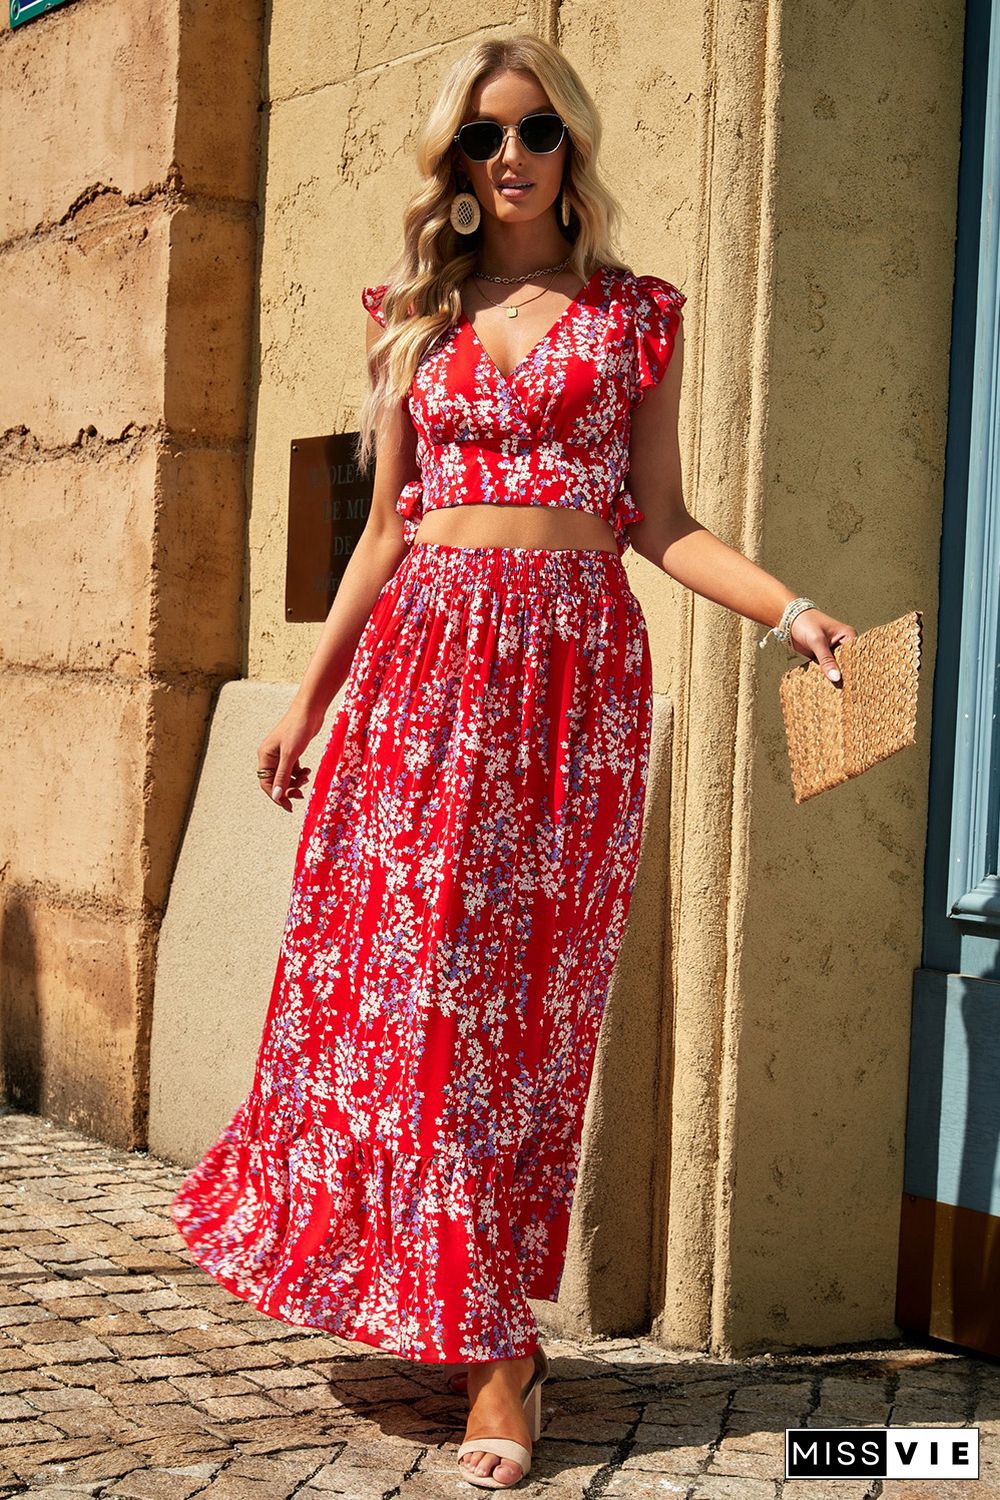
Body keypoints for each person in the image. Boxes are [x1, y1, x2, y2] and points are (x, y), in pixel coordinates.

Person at [170, 32, 856, 1491]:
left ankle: (501, 1350)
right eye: (481, 140)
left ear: (570, 144)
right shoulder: (414, 321)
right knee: (415, 1005)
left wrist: (789, 609)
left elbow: (661, 521)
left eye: (532, 130)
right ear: (457, 170)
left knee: (517, 1018)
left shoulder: (634, 319)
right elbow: (378, 532)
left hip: (569, 691)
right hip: (421, 685)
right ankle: (475, 1331)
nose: (509, 159)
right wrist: (308, 703)